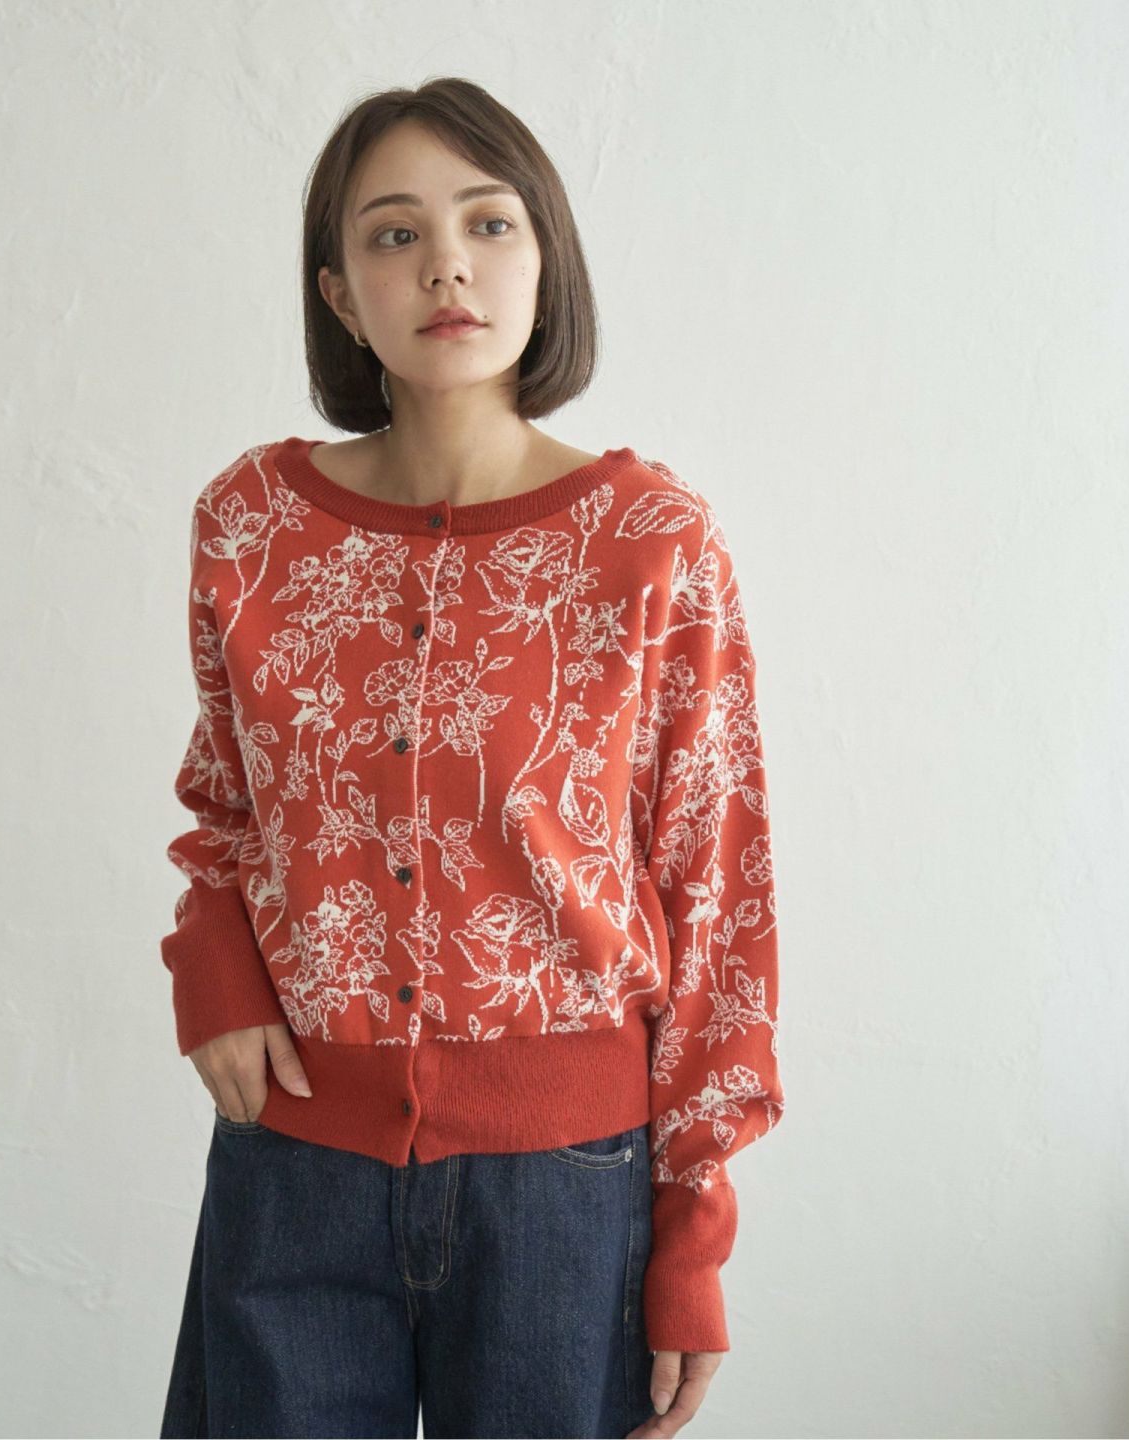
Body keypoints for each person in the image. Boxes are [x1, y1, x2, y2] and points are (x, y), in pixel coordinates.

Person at [158, 77, 784, 1440]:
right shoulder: (251, 524)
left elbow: (716, 891)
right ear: (340, 295)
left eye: (489, 223)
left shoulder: (652, 541)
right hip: (294, 1165)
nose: (446, 263)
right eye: (395, 234)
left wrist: (691, 1240)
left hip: (563, 1192)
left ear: (546, 262)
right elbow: (226, 806)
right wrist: (211, 971)